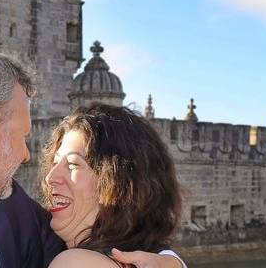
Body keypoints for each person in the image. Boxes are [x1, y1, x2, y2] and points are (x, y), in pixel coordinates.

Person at [0, 49, 182, 267]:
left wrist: (170, 262)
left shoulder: (17, 214)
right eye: (22, 136)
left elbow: (123, 236)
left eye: (73, 163)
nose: (27, 155)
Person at [44, 104, 184, 268]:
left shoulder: (75, 263)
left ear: (118, 183)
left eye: (73, 164)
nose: (50, 177)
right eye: (55, 162)